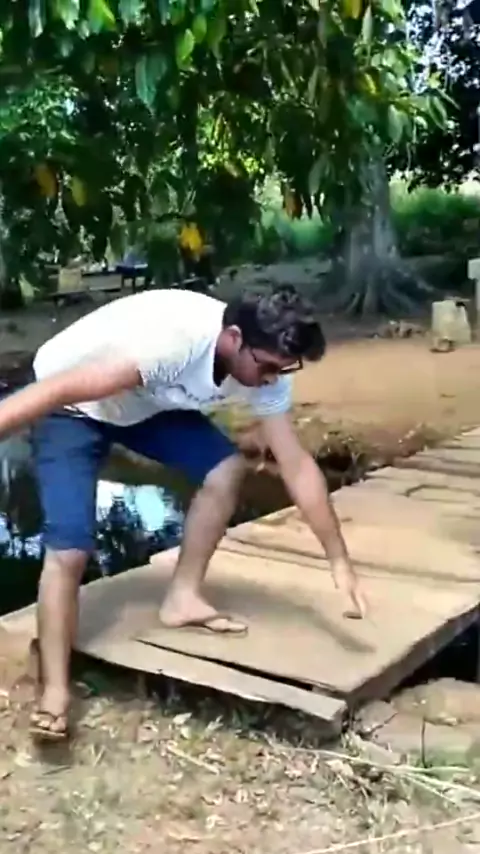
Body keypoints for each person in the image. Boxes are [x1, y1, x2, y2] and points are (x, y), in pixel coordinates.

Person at [0, 285, 366, 741]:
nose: (273, 379)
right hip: (70, 404)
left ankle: (183, 598)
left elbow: (294, 463)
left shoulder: (264, 365)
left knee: (225, 469)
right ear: (233, 338)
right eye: (268, 367)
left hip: (143, 403)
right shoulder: (172, 343)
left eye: (284, 369)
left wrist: (338, 560)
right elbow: (53, 391)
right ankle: (54, 689)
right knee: (70, 549)